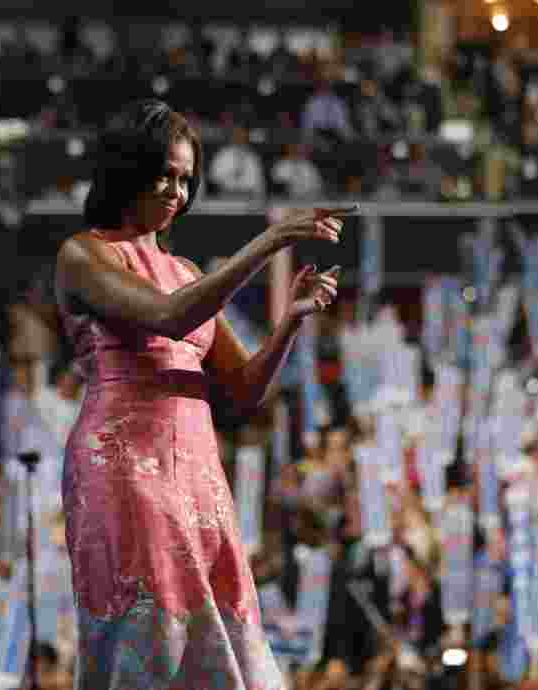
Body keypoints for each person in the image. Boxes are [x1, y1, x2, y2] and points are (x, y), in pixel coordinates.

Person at [52, 98, 356, 690]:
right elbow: (166, 316)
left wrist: (290, 320)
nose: (176, 191)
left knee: (217, 630)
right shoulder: (83, 255)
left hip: (195, 470)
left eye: (186, 179)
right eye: (164, 173)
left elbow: (242, 393)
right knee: (150, 628)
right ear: (126, 169)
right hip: (123, 466)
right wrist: (268, 243)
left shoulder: (189, 271)